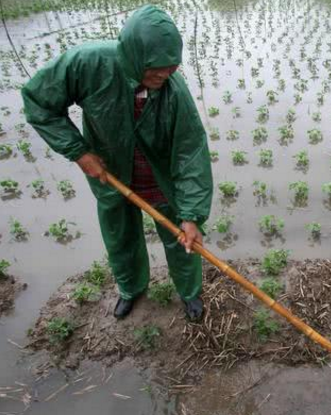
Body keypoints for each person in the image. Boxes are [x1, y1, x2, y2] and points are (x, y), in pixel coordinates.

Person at [22, 5, 213, 321]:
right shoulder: (87, 63)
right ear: (135, 57)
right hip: (110, 173)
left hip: (159, 178)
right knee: (120, 236)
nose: (164, 75)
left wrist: (192, 215)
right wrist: (80, 153)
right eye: (155, 69)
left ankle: (190, 293)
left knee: (182, 239)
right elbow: (39, 102)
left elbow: (190, 153)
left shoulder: (174, 90)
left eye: (171, 67)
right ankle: (131, 289)